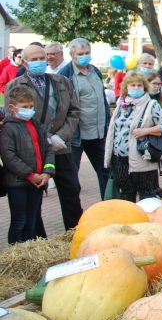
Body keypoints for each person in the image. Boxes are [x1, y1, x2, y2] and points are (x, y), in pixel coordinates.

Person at [7, 44, 83, 229]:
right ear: (24, 62)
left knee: (71, 192)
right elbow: (15, 119)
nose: (40, 61)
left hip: (61, 147)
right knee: (35, 199)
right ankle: (39, 240)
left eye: (42, 57)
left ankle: (75, 234)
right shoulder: (15, 86)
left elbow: (74, 111)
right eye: (34, 59)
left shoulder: (61, 81)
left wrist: (61, 137)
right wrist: (45, 139)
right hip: (34, 151)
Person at [0, 84, 56, 244]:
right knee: (19, 221)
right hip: (18, 183)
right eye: (24, 107)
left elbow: (48, 149)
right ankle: (15, 254)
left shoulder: (37, 125)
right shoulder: (8, 128)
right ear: (12, 107)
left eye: (31, 106)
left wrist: (47, 172)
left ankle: (30, 251)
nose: (29, 110)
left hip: (38, 181)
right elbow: (9, 157)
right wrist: (30, 175)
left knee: (32, 220)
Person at [103, 71, 162, 202]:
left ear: (144, 87)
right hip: (119, 158)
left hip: (141, 156)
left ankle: (148, 220)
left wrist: (145, 131)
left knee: (146, 193)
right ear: (126, 87)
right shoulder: (121, 105)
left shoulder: (151, 105)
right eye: (133, 85)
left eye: (139, 85)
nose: (136, 88)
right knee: (126, 193)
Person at [60, 38, 111, 198]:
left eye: (87, 53)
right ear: (71, 55)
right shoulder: (65, 75)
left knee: (107, 173)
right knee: (71, 178)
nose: (84, 56)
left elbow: (102, 100)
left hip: (98, 134)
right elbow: (63, 108)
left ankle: (109, 207)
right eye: (80, 54)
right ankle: (74, 219)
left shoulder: (95, 71)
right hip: (76, 136)